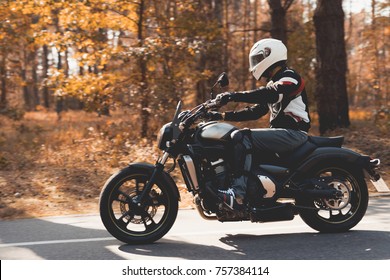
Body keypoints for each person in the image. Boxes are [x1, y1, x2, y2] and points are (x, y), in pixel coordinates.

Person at [208, 38, 311, 210]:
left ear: (271, 55)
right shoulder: (273, 83)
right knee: (233, 139)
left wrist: (232, 95)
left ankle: (237, 194)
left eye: (257, 59)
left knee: (240, 137)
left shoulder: (290, 77)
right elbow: (256, 111)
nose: (255, 64)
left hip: (294, 134)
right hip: (282, 133)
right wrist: (222, 116)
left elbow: (269, 94)